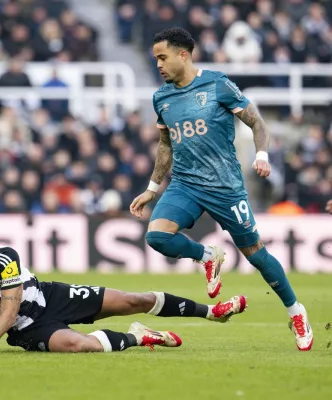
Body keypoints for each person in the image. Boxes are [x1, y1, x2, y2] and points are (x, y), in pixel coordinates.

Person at [129, 27, 312, 351]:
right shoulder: (162, 97)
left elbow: (256, 122)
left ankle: (296, 311)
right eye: (155, 58)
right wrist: (153, 188)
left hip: (225, 186)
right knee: (157, 236)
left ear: (183, 54)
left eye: (162, 57)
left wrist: (262, 155)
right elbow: (165, 145)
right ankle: (207, 255)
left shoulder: (217, 84)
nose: (157, 64)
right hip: (185, 183)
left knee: (255, 255)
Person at [0, 231, 246, 355]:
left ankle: (210, 313)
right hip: (29, 330)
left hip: (51, 297)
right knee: (81, 346)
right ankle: (139, 337)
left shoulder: (3, 258)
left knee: (133, 299)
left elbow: (8, 309)